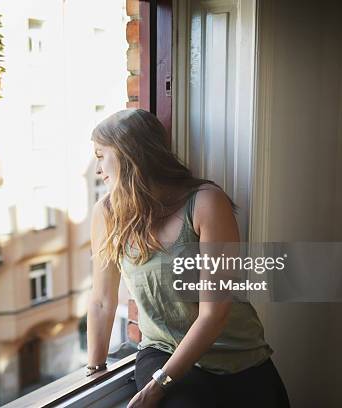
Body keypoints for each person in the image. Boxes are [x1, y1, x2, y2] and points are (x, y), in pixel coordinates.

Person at [86, 109, 290, 407]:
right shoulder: (106, 215)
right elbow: (102, 300)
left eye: (101, 155)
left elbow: (214, 313)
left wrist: (158, 386)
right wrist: (95, 372)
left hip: (238, 356)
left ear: (128, 154)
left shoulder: (206, 203)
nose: (97, 169)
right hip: (163, 351)